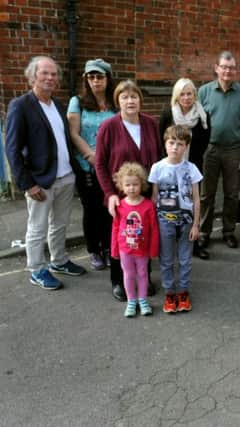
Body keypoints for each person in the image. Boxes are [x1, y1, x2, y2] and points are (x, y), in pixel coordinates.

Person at [5, 56, 86, 290]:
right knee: (37, 228)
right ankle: (37, 270)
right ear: (33, 76)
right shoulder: (20, 106)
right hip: (40, 181)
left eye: (54, 74)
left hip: (65, 176)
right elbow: (12, 150)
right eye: (45, 73)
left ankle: (59, 261)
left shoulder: (58, 105)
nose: (50, 78)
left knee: (60, 225)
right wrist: (27, 184)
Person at [96, 79, 162, 301]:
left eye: (134, 97)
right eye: (125, 97)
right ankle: (118, 280)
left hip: (145, 194)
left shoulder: (152, 124)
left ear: (140, 101)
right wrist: (110, 194)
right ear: (118, 101)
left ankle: (144, 277)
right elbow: (100, 164)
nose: (130, 101)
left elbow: (160, 160)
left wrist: (155, 191)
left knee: (144, 236)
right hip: (120, 195)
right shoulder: (109, 127)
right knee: (121, 238)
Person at [197, 51, 240, 254]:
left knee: (231, 194)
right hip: (209, 150)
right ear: (216, 68)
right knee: (206, 194)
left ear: (235, 71)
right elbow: (196, 122)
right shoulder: (204, 92)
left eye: (231, 68)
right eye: (224, 67)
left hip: (233, 150)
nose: (227, 71)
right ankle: (204, 232)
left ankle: (229, 231)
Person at [67, 58, 116, 271]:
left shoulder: (115, 101)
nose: (95, 80)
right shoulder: (77, 101)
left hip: (111, 165)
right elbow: (73, 133)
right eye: (91, 77)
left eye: (100, 76)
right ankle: (93, 250)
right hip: (86, 165)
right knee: (91, 208)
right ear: (87, 80)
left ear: (107, 78)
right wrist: (90, 155)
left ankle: (107, 247)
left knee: (109, 208)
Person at [148, 125, 202, 313]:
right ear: (165, 144)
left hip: (187, 221)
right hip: (164, 221)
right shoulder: (157, 168)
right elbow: (154, 198)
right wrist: (152, 224)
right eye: (171, 143)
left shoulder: (191, 168)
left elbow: (196, 198)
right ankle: (170, 293)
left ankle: (184, 292)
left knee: (185, 259)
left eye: (180, 144)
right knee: (167, 259)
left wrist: (196, 224)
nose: (175, 148)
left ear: (186, 147)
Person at [159, 78, 211, 259]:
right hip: (171, 168)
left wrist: (189, 163)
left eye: (190, 93)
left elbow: (204, 142)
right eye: (182, 93)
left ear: (195, 95)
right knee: (171, 204)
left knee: (191, 205)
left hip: (192, 168)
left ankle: (193, 244)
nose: (186, 97)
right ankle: (170, 244)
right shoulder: (168, 114)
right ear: (176, 95)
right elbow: (161, 140)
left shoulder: (203, 115)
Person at [111, 162, 159, 318]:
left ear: (142, 185)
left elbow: (153, 229)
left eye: (135, 184)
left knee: (143, 274)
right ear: (121, 186)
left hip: (142, 250)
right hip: (125, 250)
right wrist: (114, 249)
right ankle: (131, 301)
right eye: (128, 184)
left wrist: (153, 249)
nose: (131, 188)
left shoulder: (148, 206)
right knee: (128, 274)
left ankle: (143, 300)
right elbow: (116, 228)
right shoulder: (120, 206)